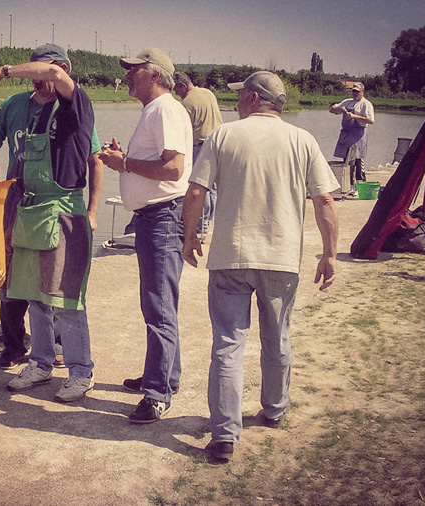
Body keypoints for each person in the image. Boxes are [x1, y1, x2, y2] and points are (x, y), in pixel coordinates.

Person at [181, 71, 339, 463]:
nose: (235, 102)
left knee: (228, 345)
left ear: (253, 98)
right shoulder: (302, 140)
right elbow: (325, 202)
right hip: (281, 259)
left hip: (230, 256)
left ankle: (224, 436)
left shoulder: (224, 136)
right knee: (278, 338)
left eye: (240, 96)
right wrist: (329, 253)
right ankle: (274, 409)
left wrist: (190, 236)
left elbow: (196, 190)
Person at [0, 44, 99, 402]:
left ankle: (81, 371)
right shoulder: (31, 114)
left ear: (59, 69)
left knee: (67, 301)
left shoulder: (76, 106)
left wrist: (6, 70)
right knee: (35, 297)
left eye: (38, 72)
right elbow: (18, 166)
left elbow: (57, 76)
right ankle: (42, 363)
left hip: (63, 213)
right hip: (30, 211)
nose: (34, 80)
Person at [100, 48, 192, 423]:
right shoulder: (157, 110)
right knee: (159, 303)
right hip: (156, 217)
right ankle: (165, 376)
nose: (126, 76)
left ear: (154, 75)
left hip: (163, 218)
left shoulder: (165, 110)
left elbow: (172, 169)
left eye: (133, 71)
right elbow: (157, 165)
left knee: (157, 306)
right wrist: (126, 162)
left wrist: (123, 164)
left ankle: (157, 394)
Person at [173, 71, 223, 233]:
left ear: (183, 85)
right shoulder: (208, 92)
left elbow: (183, 131)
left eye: (177, 89)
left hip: (200, 145)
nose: (176, 93)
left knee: (201, 185)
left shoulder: (186, 104)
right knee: (213, 186)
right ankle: (208, 220)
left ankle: (202, 222)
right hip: (218, 142)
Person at [330, 82, 374, 188]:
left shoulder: (366, 104)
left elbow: (371, 120)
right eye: (353, 91)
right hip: (346, 134)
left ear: (363, 92)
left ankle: (360, 185)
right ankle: (348, 185)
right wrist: (339, 109)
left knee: (358, 161)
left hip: (358, 134)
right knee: (346, 160)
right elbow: (332, 110)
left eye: (357, 92)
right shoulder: (347, 102)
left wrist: (354, 116)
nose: (355, 93)